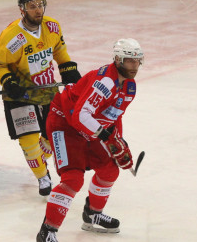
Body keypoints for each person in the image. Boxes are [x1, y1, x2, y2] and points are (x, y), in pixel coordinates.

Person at [36, 38, 144, 242]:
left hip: (90, 126)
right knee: (72, 179)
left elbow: (114, 116)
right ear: (118, 59)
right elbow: (80, 115)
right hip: (64, 123)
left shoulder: (129, 87)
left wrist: (118, 143)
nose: (134, 66)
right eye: (130, 61)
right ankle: (47, 231)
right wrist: (106, 136)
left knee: (109, 169)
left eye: (137, 61)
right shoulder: (104, 83)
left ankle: (92, 214)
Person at [0, 0, 81, 196]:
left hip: (47, 90)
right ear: (22, 10)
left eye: (40, 5)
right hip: (19, 94)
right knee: (29, 140)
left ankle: (39, 160)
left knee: (51, 137)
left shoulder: (52, 26)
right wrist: (9, 81)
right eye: (32, 6)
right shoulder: (12, 37)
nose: (38, 10)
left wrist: (68, 69)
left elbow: (59, 52)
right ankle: (42, 176)